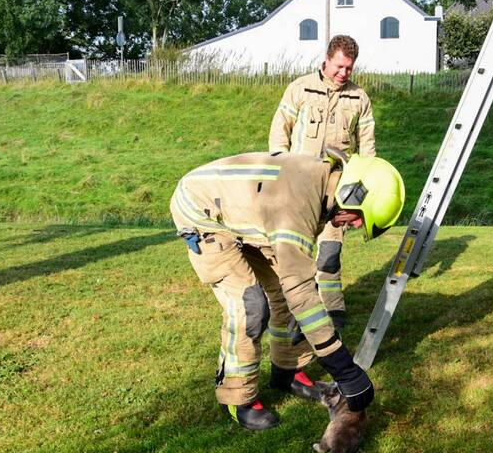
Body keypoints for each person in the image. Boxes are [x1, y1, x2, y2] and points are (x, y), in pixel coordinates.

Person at [170, 150, 405, 430]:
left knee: (283, 292)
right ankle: (236, 397)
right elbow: (301, 290)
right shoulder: (299, 203)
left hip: (247, 216)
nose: (355, 226)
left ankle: (287, 371)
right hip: (202, 213)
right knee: (250, 305)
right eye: (358, 218)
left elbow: (296, 279)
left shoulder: (322, 186)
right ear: (351, 194)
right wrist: (344, 369)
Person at [269, 35, 376, 336]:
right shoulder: (299, 89)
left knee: (329, 255)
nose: (344, 74)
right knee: (296, 256)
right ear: (327, 59)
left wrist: (361, 192)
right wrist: (281, 174)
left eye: (350, 69)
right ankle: (298, 308)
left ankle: (333, 311)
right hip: (299, 190)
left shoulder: (360, 99)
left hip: (337, 194)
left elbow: (367, 151)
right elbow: (280, 134)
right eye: (340, 66)